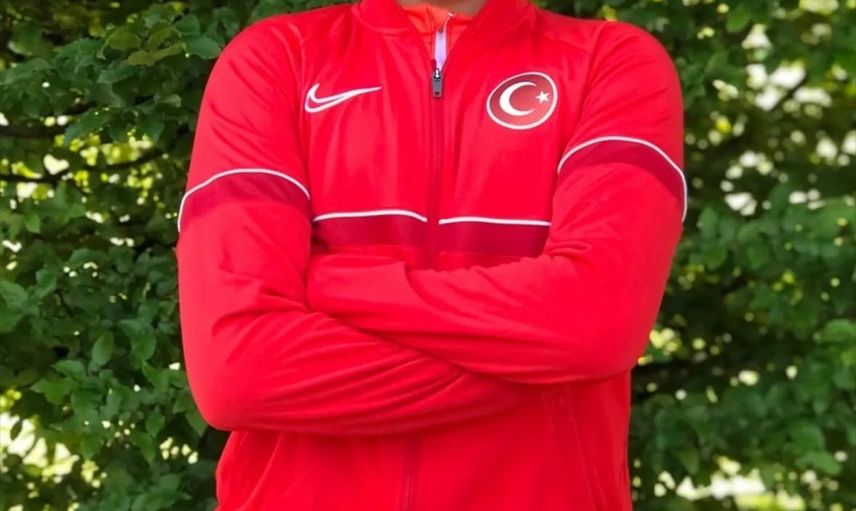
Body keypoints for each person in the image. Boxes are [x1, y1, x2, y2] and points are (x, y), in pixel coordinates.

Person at [175, 0, 687, 507]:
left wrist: (331, 282)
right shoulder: (276, 59)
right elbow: (238, 372)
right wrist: (535, 365)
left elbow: (593, 323)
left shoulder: (609, 62)